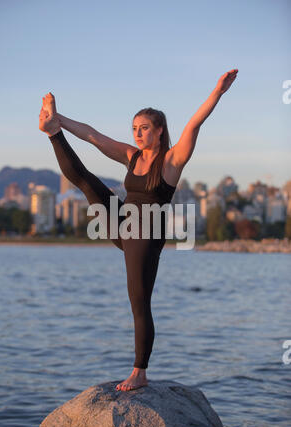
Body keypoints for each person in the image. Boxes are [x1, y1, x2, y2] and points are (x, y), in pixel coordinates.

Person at [39, 69, 238, 391]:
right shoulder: (132, 156)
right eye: (134, 129)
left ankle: (139, 371)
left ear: (159, 131)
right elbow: (94, 136)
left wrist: (218, 91)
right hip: (122, 223)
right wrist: (57, 118)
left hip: (146, 236)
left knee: (139, 301)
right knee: (85, 180)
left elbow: (194, 124)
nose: (138, 134)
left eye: (144, 128)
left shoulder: (172, 161)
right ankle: (52, 133)